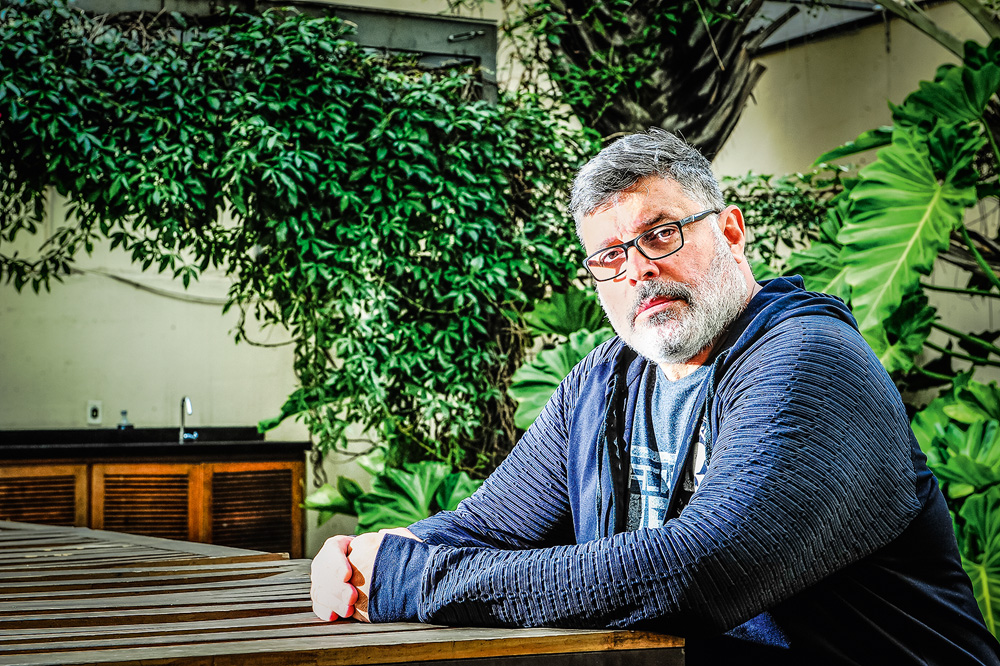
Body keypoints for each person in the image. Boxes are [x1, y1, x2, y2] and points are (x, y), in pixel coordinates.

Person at [310, 128, 1000, 664]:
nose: (638, 268)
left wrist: (411, 579)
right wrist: (370, 555)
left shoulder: (810, 363)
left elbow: (703, 568)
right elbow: (486, 527)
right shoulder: (603, 382)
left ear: (730, 231)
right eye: (609, 255)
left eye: (660, 234)